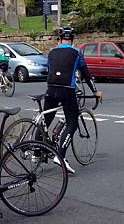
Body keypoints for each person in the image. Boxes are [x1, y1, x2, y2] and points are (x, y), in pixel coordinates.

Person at [43, 26, 102, 174]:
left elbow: (50, 70)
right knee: (72, 122)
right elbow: (86, 74)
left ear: (59, 39)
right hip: (67, 90)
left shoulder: (51, 52)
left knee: (46, 120)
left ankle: (36, 152)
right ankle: (60, 156)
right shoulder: (77, 52)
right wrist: (95, 91)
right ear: (73, 39)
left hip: (50, 89)